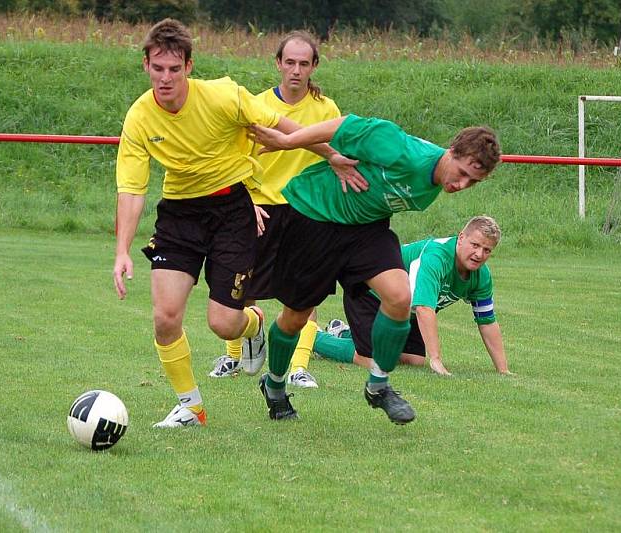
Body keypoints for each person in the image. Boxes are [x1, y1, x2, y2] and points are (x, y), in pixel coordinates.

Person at [112, 19, 363, 429]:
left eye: (174, 69)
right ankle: (191, 406)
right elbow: (132, 189)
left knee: (222, 322)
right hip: (179, 215)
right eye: (158, 68)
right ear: (146, 66)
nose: (165, 78)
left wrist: (332, 156)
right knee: (165, 317)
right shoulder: (140, 117)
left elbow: (283, 126)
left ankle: (254, 325)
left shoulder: (224, 96)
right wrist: (122, 250)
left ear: (189, 66)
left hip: (232, 210)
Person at [249, 114, 501, 424]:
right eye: (462, 173)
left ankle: (378, 386)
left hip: (366, 229)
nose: (461, 185)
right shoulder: (402, 150)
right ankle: (274, 385)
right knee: (296, 317)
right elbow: (345, 125)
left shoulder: (435, 181)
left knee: (399, 296)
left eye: (472, 182)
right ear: (451, 152)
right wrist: (288, 142)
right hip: (315, 215)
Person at [207, 30, 341, 390]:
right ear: (278, 64)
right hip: (261, 205)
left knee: (305, 293)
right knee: (242, 287)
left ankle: (298, 366)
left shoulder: (326, 109)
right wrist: (245, 199)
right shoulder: (257, 105)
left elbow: (334, 161)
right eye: (289, 62)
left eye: (304, 63)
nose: (296, 70)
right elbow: (238, 157)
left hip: (307, 210)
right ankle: (235, 355)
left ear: (314, 67)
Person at [313, 216, 511, 376]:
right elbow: (424, 308)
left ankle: (343, 332)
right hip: (369, 289)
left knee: (413, 361)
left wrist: (503, 370)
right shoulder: (436, 257)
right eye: (475, 245)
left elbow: (487, 321)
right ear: (461, 238)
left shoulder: (481, 276)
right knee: (373, 360)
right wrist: (436, 360)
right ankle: (312, 338)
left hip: (402, 307)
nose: (479, 254)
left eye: (487, 250)